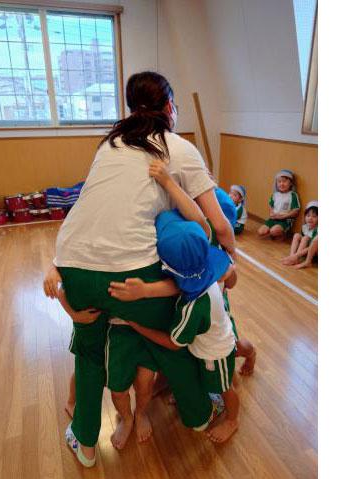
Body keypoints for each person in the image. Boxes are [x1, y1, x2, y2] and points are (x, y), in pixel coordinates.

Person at [42, 71, 236, 467]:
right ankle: (199, 415)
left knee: (90, 354)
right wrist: (229, 258)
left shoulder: (110, 143)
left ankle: (86, 443)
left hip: (72, 262)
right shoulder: (178, 147)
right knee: (172, 340)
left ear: (131, 107)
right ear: (170, 106)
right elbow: (218, 225)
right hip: (131, 268)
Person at [110, 208, 242, 443]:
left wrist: (136, 325)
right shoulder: (207, 274)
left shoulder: (192, 307)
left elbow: (173, 343)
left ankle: (232, 419)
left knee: (225, 387)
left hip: (215, 354)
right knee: (208, 379)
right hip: (206, 347)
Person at [257, 169, 300, 240]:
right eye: (279, 182)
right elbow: (271, 205)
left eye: (284, 181)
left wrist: (283, 216)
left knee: (273, 231)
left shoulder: (293, 195)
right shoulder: (275, 194)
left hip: (285, 220)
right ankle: (273, 231)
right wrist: (271, 213)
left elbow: (296, 211)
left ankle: (282, 233)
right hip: (274, 218)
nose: (281, 184)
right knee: (260, 232)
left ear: (290, 183)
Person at [282, 200, 318, 269]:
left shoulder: (317, 229)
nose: (310, 218)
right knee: (296, 235)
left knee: (305, 238)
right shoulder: (305, 227)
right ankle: (292, 256)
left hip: (312, 252)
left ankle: (295, 258)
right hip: (304, 251)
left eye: (314, 216)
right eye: (308, 216)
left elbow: (312, 246)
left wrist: (297, 255)